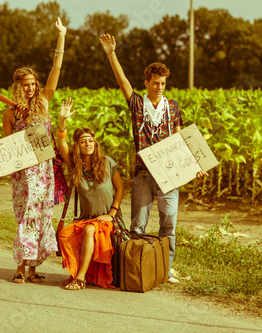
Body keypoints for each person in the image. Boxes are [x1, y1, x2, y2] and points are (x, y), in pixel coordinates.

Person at [100, 33, 207, 284]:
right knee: (138, 223)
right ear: (146, 82)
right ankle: (135, 267)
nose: (159, 86)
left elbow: (180, 141)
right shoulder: (138, 104)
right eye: (156, 82)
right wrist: (111, 54)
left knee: (168, 223)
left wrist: (194, 167)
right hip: (143, 172)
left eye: (163, 83)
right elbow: (122, 80)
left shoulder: (173, 107)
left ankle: (165, 269)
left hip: (169, 173)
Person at [0, 17, 66, 284]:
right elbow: (6, 146)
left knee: (42, 215)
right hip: (23, 173)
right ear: (17, 87)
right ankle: (19, 267)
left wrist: (61, 35)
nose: (30, 88)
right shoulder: (10, 113)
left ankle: (34, 267)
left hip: (44, 169)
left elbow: (56, 67)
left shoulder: (45, 102)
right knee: (25, 214)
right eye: (24, 84)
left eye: (32, 83)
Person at [56, 98, 125, 290]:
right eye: (83, 141)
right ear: (77, 146)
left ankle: (80, 278)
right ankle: (80, 271)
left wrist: (112, 213)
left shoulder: (108, 162)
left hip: (109, 220)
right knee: (65, 233)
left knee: (89, 231)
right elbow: (61, 142)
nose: (88, 144)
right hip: (87, 218)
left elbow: (121, 189)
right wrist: (62, 120)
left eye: (90, 140)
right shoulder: (75, 167)